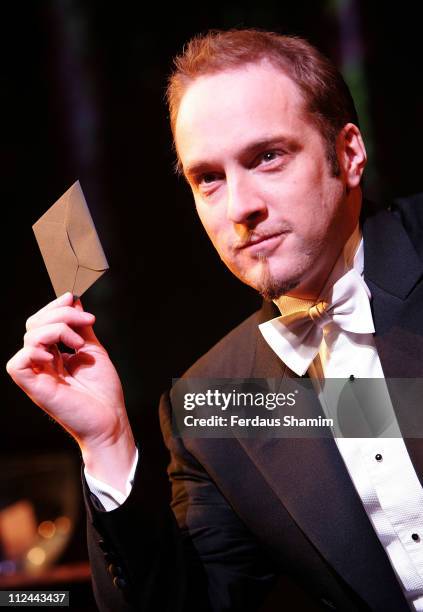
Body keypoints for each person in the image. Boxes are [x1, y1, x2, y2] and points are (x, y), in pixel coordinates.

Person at [6, 28, 423, 611]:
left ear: (348, 154)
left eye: (268, 157)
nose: (240, 207)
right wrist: (106, 444)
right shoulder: (210, 403)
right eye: (209, 178)